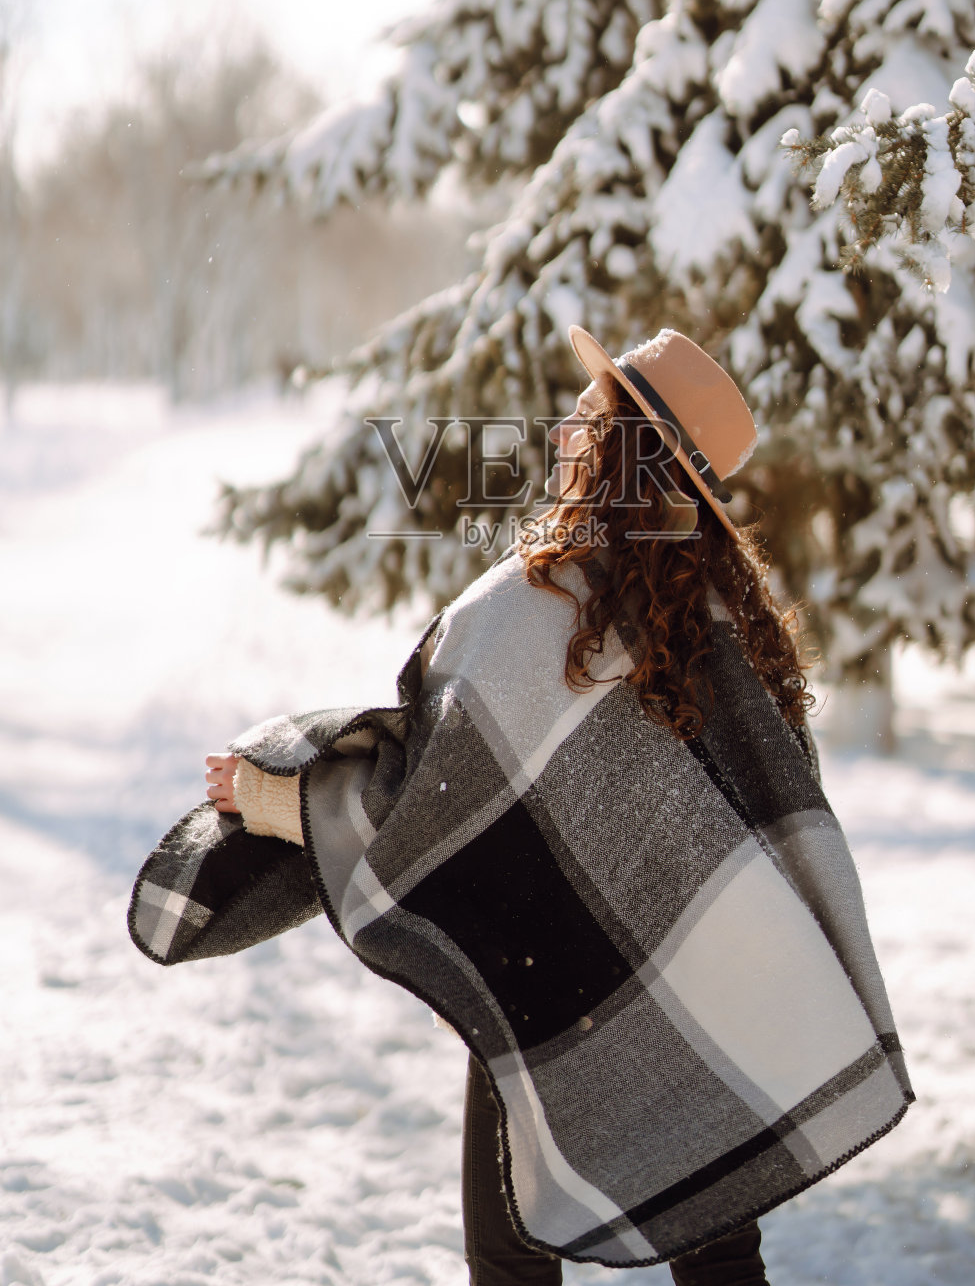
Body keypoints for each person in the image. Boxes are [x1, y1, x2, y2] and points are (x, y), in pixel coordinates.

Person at [192, 326, 911, 1285]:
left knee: (510, 1251)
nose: (566, 425)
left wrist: (276, 800)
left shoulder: (541, 598)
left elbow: (434, 798)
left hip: (550, 971)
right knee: (719, 1244)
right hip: (708, 976)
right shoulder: (729, 616)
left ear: (629, 449)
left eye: (589, 412)